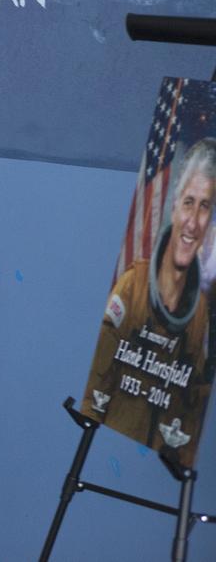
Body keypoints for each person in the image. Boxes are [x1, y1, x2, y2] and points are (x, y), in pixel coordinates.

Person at [82, 138, 216, 466]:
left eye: (205, 207)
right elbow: (103, 375)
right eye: (188, 203)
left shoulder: (198, 313)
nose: (193, 221)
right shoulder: (134, 287)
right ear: (173, 208)